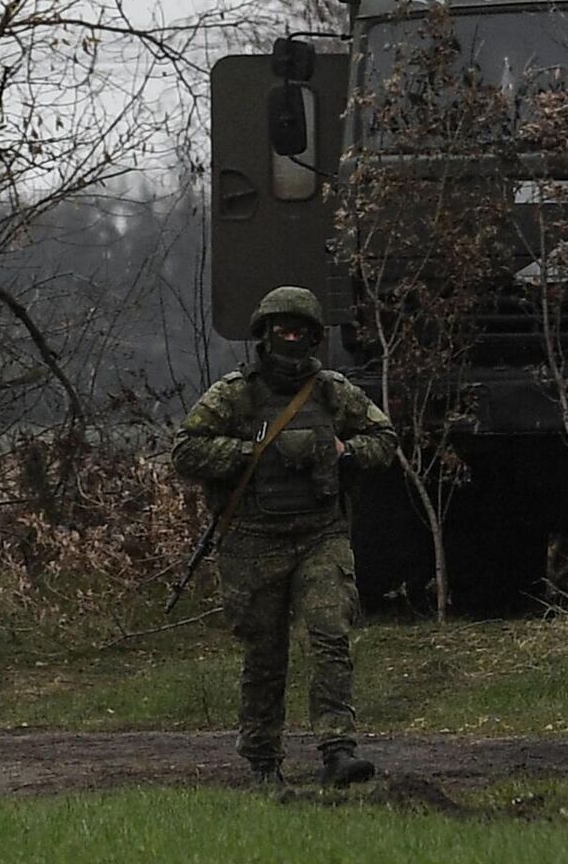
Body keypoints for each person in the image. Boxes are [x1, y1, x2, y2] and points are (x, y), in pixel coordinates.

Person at [173, 284, 397, 789]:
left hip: (320, 535)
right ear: (265, 333)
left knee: (330, 636)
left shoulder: (331, 391)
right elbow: (186, 450)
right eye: (282, 329)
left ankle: (338, 750)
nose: (290, 338)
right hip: (254, 542)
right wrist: (249, 455)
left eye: (299, 330)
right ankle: (263, 760)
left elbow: (384, 439)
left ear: (313, 337)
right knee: (264, 654)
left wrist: (345, 452)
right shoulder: (236, 394)